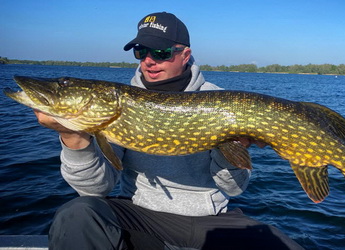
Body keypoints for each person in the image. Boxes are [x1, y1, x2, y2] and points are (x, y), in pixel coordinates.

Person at [36, 12, 304, 249]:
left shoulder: (221, 102)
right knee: (78, 212)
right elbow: (96, 189)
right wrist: (73, 137)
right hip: (142, 217)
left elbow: (234, 189)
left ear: (185, 55)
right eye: (141, 51)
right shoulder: (116, 106)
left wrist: (232, 150)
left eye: (161, 52)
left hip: (209, 221)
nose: (149, 61)